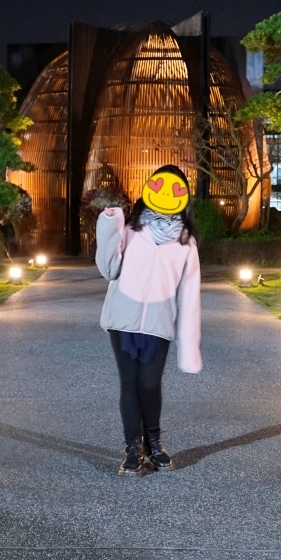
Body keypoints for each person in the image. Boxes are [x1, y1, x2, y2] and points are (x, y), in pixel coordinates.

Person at [95, 164, 202, 476]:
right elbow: (109, 270)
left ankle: (153, 444)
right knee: (129, 384)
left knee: (149, 383)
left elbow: (190, 295)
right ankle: (133, 448)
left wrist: (190, 347)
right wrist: (109, 226)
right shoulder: (129, 231)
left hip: (158, 322)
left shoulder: (186, 242)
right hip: (122, 321)